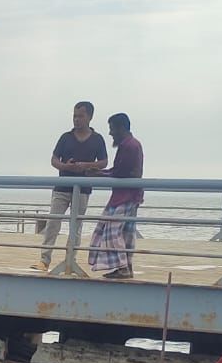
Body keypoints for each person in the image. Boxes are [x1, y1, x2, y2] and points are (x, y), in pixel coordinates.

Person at [33, 101, 109, 272]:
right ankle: (44, 260)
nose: (76, 120)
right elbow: (54, 159)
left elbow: (104, 162)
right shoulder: (66, 137)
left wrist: (87, 165)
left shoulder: (97, 139)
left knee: (76, 226)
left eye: (80, 116)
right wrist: (65, 166)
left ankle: (70, 260)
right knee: (53, 222)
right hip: (62, 187)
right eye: (74, 116)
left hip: (82, 189)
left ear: (89, 117)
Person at [88, 113, 145, 280]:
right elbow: (119, 171)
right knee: (125, 233)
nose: (110, 133)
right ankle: (125, 266)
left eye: (112, 129)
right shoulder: (131, 144)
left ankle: (123, 267)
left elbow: (120, 173)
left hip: (124, 195)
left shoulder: (129, 146)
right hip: (130, 194)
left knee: (112, 231)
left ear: (121, 128)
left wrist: (99, 174)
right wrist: (101, 173)